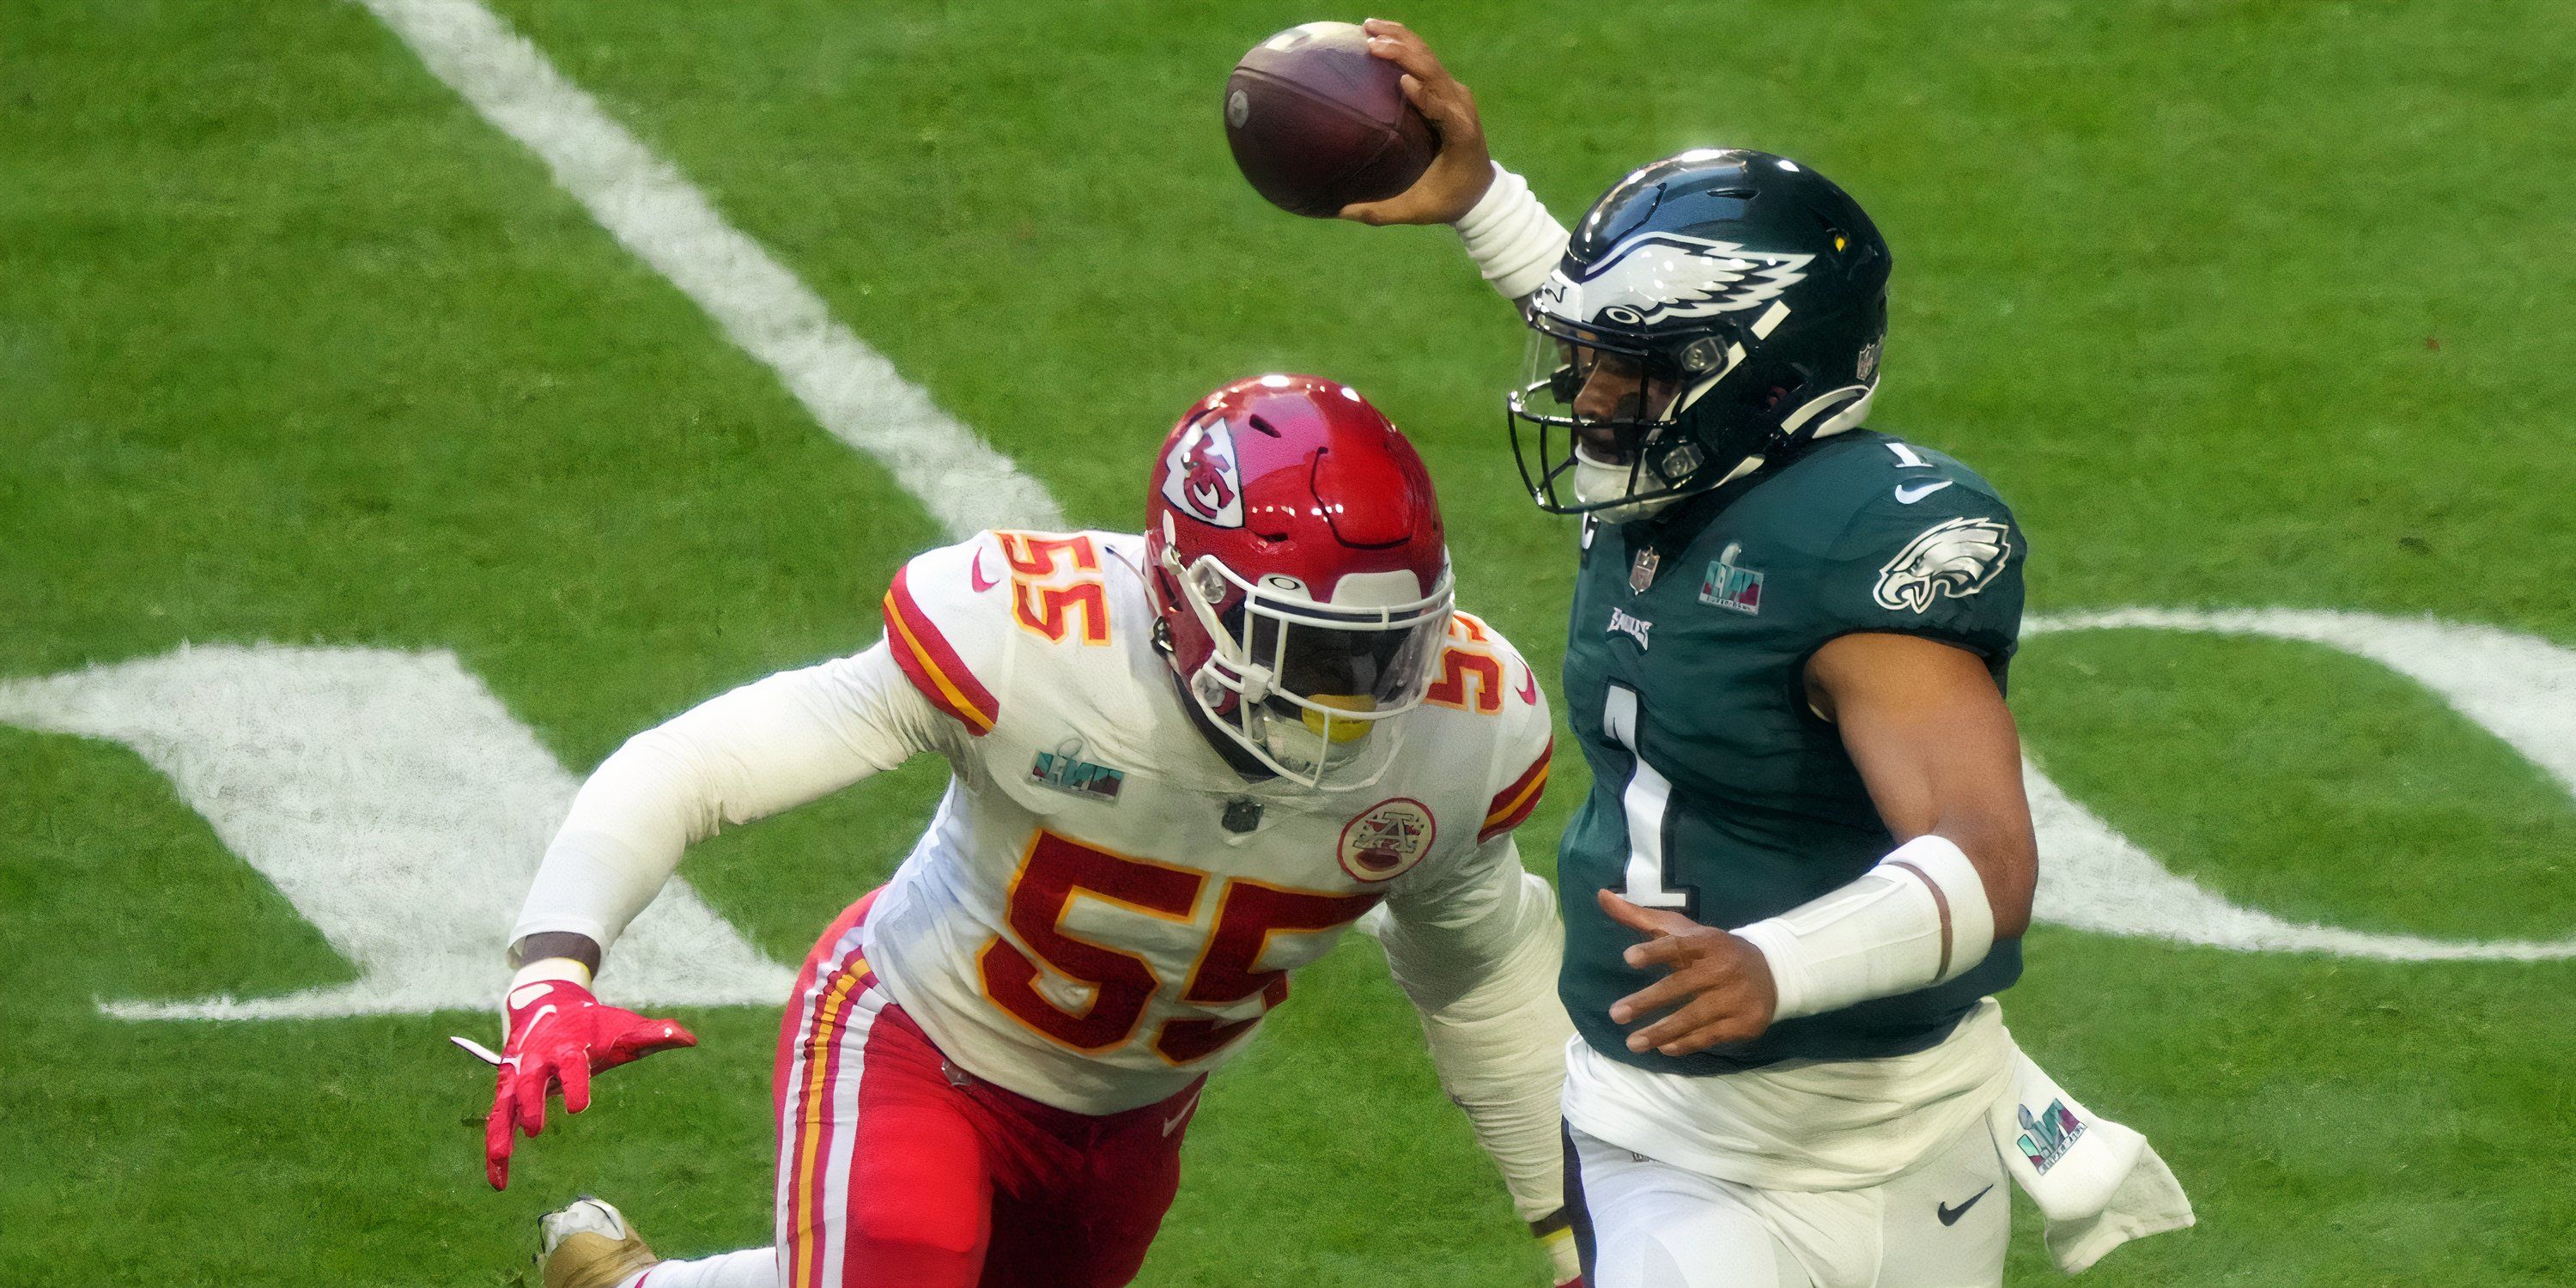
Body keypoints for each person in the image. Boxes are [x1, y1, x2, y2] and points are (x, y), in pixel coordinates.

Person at [1333, 21, 2190, 1288]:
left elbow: (1988, 858)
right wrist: (1486, 203)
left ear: (1749, 378)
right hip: (1672, 1140)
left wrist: (1774, 963)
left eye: (1630, 368)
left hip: (1914, 1124)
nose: (1588, 393)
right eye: (1592, 356)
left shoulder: (1855, 549)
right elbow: (1640, 338)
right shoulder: (1675, 461)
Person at [480, 374, 1588, 1288]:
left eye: (1390, 649)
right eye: (1306, 647)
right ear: (1184, 594)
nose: (1356, 696)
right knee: (904, 1265)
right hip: (921, 1038)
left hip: (1132, 1118)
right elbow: (700, 766)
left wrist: (1578, 1232)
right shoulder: (1032, 639)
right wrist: (553, 964)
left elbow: (1480, 976)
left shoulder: (1462, 733)